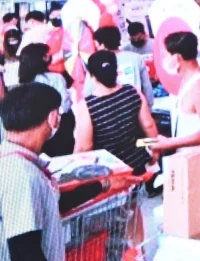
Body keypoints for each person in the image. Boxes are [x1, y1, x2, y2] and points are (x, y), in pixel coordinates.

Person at [0, 82, 140, 261]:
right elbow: (24, 252)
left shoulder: (16, 161)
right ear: (53, 117)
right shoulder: (21, 175)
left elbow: (53, 204)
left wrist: (105, 185)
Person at [74, 51, 158, 174]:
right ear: (116, 70)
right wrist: (155, 151)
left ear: (91, 75)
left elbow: (85, 147)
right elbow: (148, 125)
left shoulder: (86, 106)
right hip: (139, 162)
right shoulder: (132, 91)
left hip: (110, 172)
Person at [150, 31, 200, 153]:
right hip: (188, 159)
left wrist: (170, 143)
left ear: (177, 57)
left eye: (165, 55)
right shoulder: (188, 80)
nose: (163, 59)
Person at [17, 44, 74, 157]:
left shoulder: (22, 82)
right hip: (59, 128)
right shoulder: (56, 78)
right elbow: (65, 106)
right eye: (46, 55)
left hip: (34, 129)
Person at [86, 26, 155, 108]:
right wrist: (148, 107)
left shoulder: (95, 63)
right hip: (137, 107)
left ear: (103, 45)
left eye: (97, 45)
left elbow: (87, 92)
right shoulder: (136, 58)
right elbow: (147, 87)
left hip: (109, 110)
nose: (96, 48)